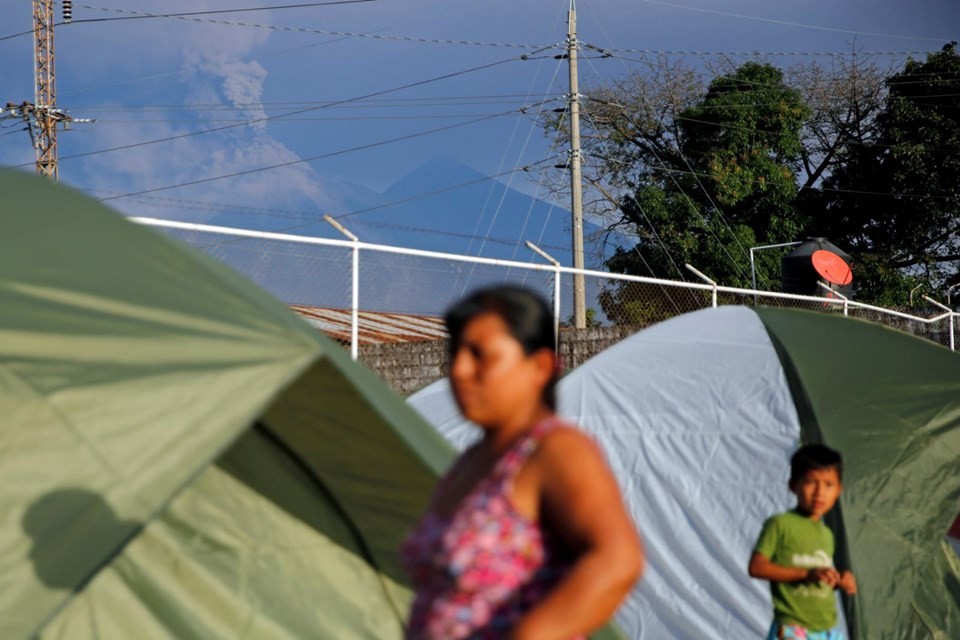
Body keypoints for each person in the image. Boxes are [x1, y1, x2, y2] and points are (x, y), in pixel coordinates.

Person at [401, 285, 643, 640]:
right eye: (455, 354)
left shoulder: (554, 450)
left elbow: (618, 559)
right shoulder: (472, 460)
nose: (460, 370)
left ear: (540, 366)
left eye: (480, 354)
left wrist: (532, 633)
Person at [748, 443, 857, 640]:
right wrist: (806, 574)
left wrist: (839, 580)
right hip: (794, 628)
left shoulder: (827, 534)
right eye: (810, 482)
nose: (819, 492)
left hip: (828, 629)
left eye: (828, 484)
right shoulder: (780, 524)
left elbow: (818, 577)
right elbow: (756, 567)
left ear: (839, 490)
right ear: (793, 485)